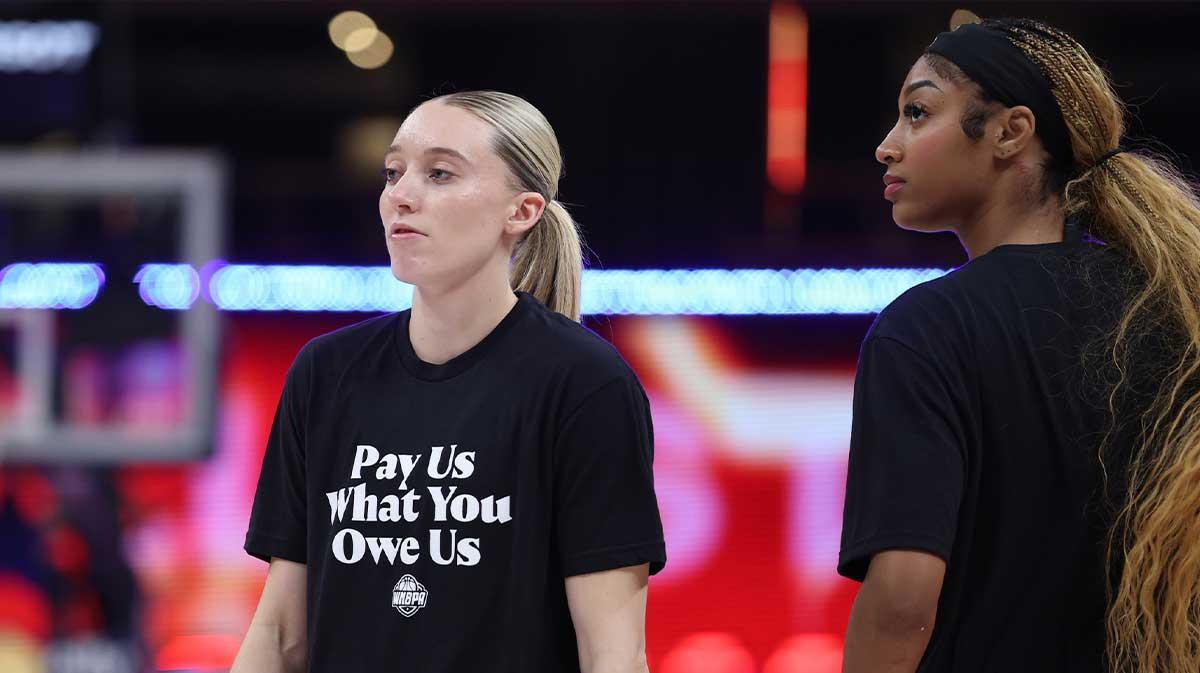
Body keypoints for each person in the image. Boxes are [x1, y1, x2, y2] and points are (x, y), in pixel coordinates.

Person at [231, 90, 666, 673]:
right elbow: (280, 634)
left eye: (439, 173)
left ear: (523, 211)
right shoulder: (326, 372)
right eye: (393, 172)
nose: (401, 195)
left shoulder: (585, 384)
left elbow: (613, 654)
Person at [838, 14, 1200, 673]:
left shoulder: (925, 328)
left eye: (918, 113)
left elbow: (903, 599)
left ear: (1010, 132)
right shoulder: (1176, 312)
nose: (887, 146)